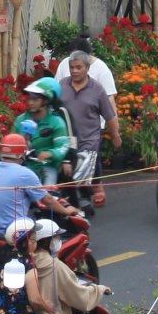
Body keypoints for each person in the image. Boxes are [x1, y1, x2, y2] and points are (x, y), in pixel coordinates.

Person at [22, 219, 111, 314]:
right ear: (47, 241)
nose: (59, 241)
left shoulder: (24, 262)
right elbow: (77, 296)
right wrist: (99, 289)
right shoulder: (55, 266)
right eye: (57, 237)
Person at [57, 45, 122, 201]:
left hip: (89, 140)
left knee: (82, 176)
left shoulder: (97, 89)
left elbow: (109, 116)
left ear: (87, 68)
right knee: (66, 175)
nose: (74, 71)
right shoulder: (61, 86)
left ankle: (85, 200)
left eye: (78, 67)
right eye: (72, 67)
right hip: (66, 140)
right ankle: (74, 202)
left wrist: (115, 136)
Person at [0, 134, 79, 234]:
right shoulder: (25, 173)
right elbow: (48, 200)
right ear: (23, 153)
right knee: (51, 237)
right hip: (15, 232)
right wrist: (66, 211)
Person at [21, 79, 74, 184]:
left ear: (45, 101)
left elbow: (63, 146)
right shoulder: (21, 119)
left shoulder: (57, 122)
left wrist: (50, 153)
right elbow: (12, 140)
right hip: (24, 166)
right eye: (29, 99)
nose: (30, 102)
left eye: (35, 99)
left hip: (47, 167)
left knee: (48, 194)